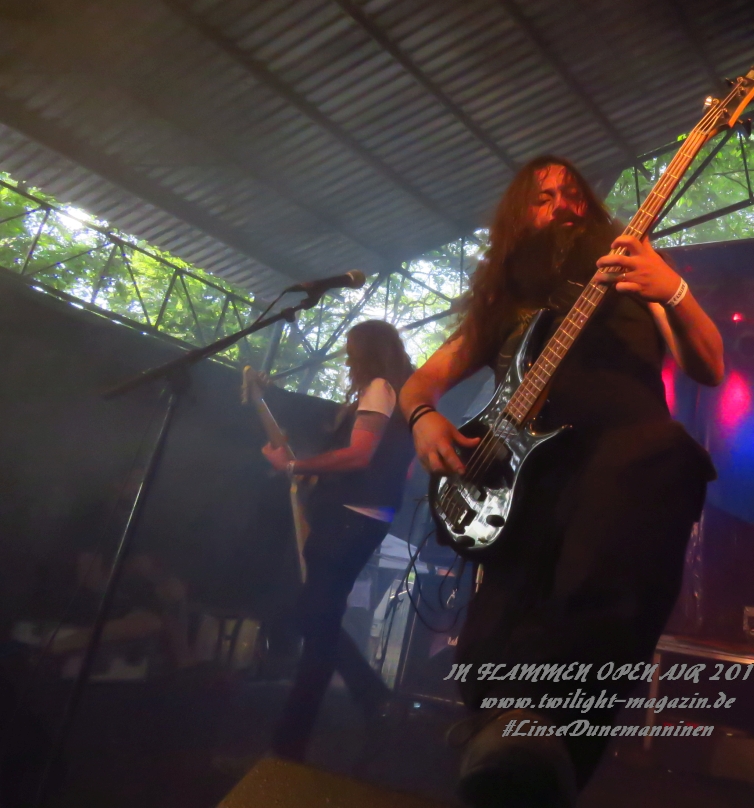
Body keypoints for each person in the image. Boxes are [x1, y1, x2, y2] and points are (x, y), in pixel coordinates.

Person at [400, 156, 724, 807]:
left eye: (573, 195)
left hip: (624, 462)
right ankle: (505, 752)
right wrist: (421, 418)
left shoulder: (629, 264)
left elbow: (709, 365)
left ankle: (548, 742)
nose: (561, 207)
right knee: (500, 625)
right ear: (518, 215)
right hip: (524, 481)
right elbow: (423, 381)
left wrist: (672, 291)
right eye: (543, 197)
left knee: (596, 597)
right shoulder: (505, 298)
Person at [261, 320, 415, 762]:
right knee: (318, 621)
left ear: (366, 352)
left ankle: (365, 702)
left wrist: (293, 467)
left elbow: (359, 455)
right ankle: (304, 736)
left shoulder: (379, 389)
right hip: (363, 517)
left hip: (349, 520)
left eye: (351, 351)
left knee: (315, 621)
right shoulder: (399, 395)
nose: (347, 359)